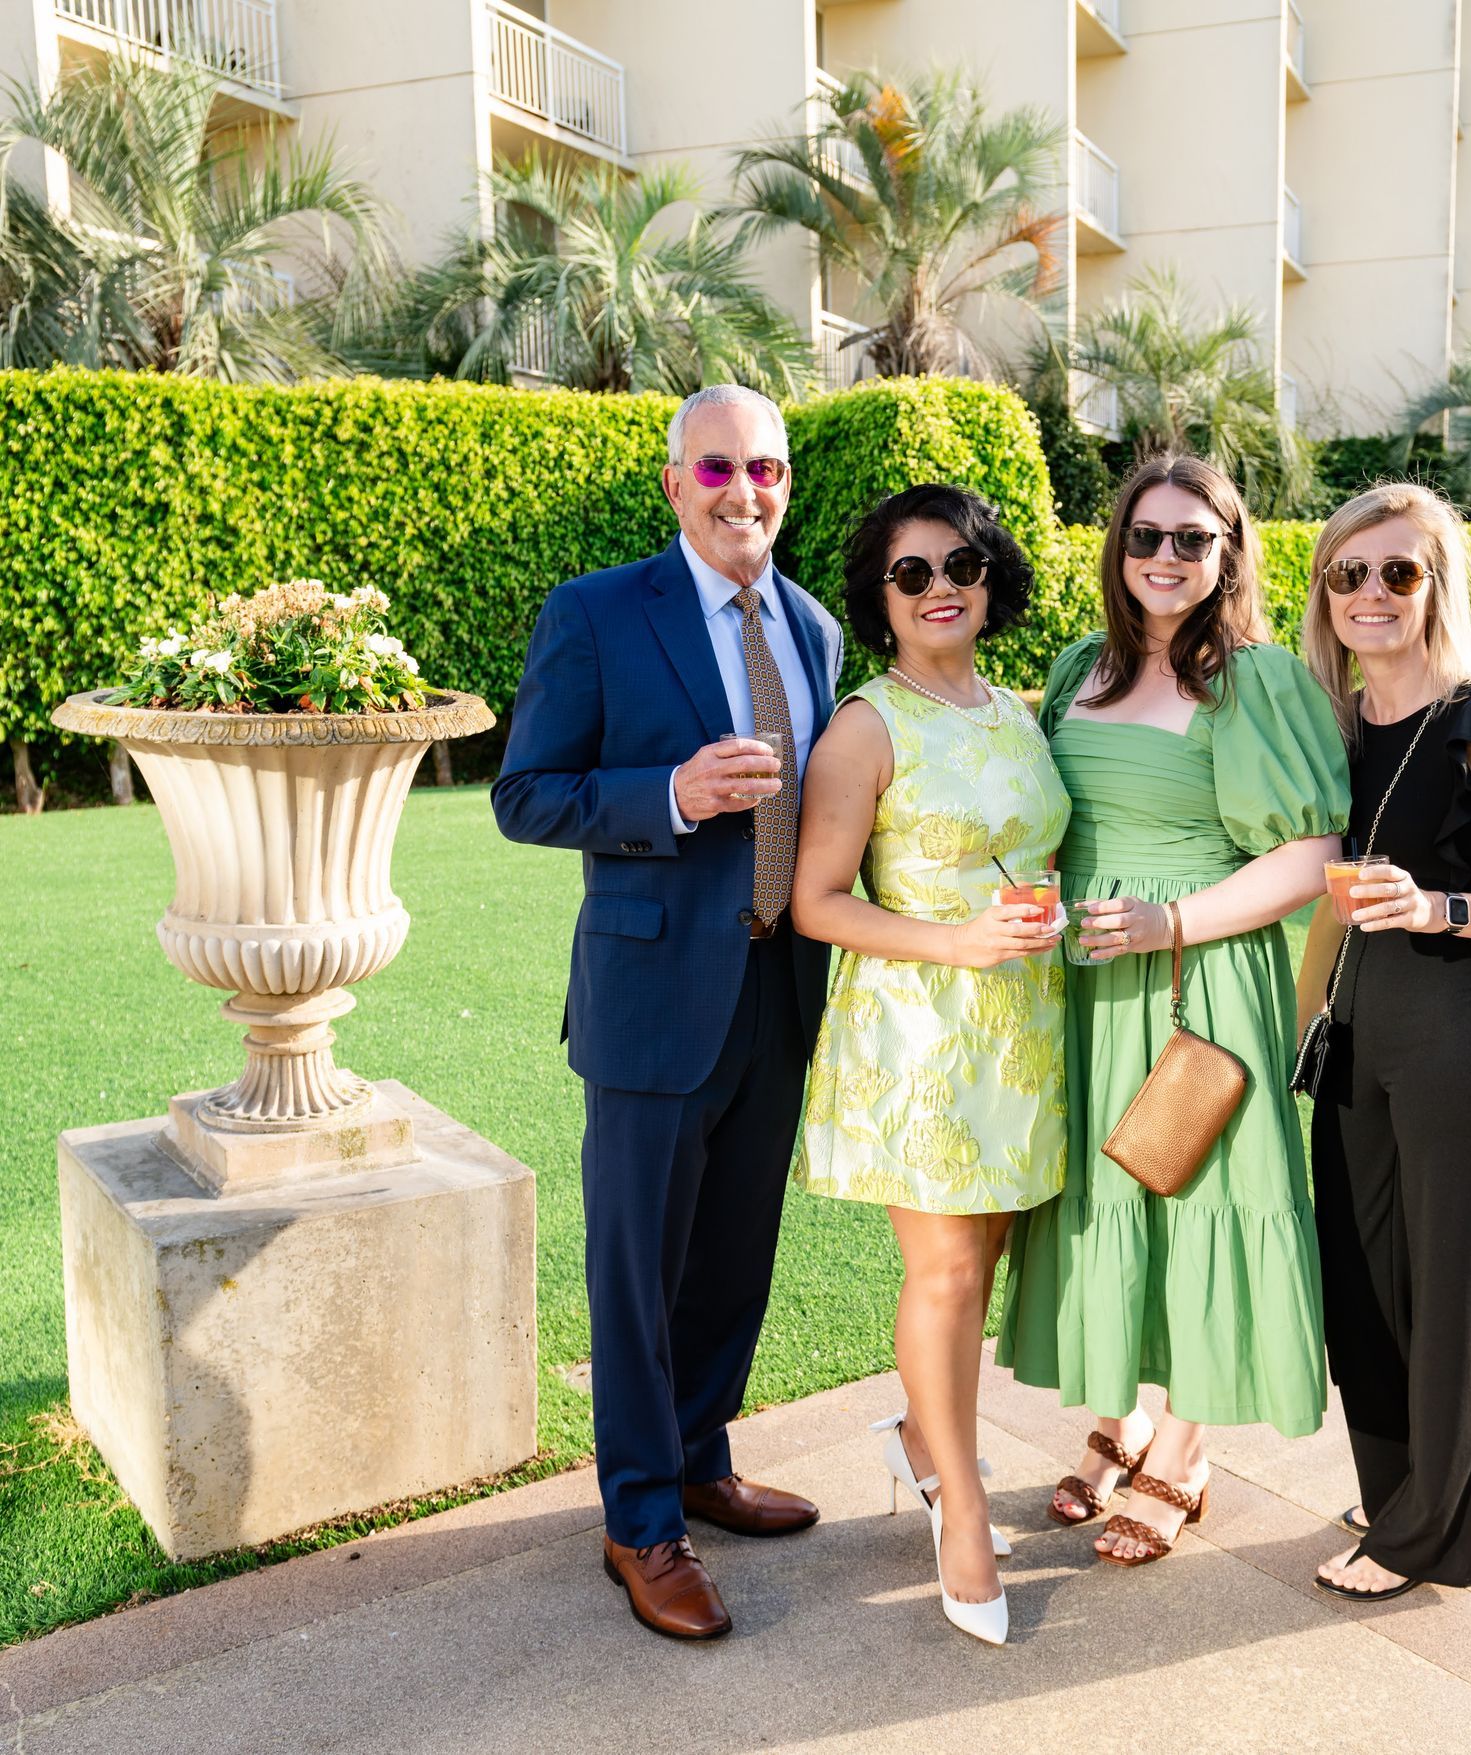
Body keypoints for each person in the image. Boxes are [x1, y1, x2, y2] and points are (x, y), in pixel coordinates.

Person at [491, 384, 843, 1641]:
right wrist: (674, 794)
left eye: (767, 469)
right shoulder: (596, 613)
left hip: (779, 986)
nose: (745, 491)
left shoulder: (814, 628)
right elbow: (526, 794)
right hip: (651, 1000)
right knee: (638, 1269)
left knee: (736, 1254)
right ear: (675, 482)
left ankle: (700, 1458)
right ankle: (640, 1521)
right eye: (718, 469)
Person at [997, 454, 1350, 1567]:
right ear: (1118, 548)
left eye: (1192, 539)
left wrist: (1172, 922)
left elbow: (1314, 855)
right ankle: (1121, 1419)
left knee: (1201, 1193)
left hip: (1202, 975)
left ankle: (1185, 1454)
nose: (1165, 557)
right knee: (1110, 1188)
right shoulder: (1078, 665)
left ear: (1228, 554)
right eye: (1145, 536)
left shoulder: (1259, 680)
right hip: (1088, 982)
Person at [790, 483, 1070, 1647]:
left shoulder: (1019, 710)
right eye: (911, 573)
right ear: (881, 597)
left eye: (961, 564)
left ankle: (918, 1437)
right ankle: (961, 1505)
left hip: (1023, 1027)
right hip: (918, 1028)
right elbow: (816, 901)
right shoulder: (867, 726)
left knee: (986, 1255)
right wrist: (956, 941)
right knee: (947, 1272)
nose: (939, 588)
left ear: (991, 579)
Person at [1295, 481, 1471, 1603]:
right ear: (1327, 588)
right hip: (1358, 1037)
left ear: (1436, 586)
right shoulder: (1332, 724)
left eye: (1399, 571)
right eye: (1350, 571)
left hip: (1459, 1035)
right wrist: (1303, 1022)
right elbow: (1321, 894)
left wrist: (1439, 906)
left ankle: (1422, 1535)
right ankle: (1415, 1486)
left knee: (1453, 1287)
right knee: (1364, 1280)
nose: (1371, 592)